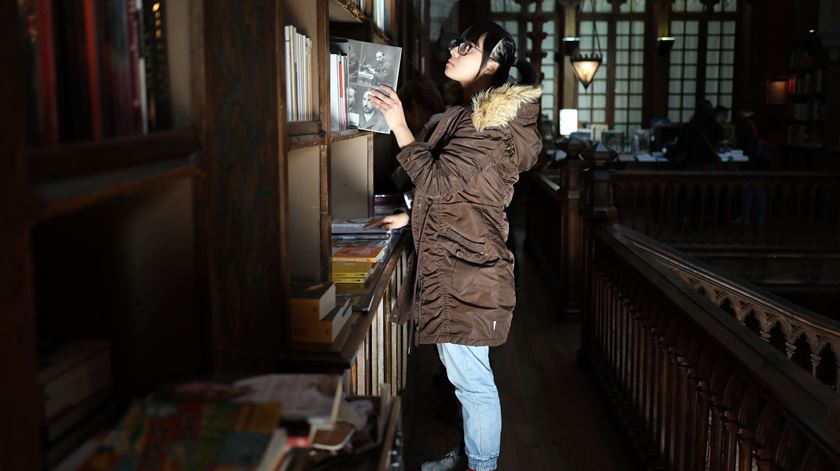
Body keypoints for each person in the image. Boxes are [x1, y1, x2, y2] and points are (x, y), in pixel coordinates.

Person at [366, 21, 542, 471]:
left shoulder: (489, 121)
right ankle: (469, 454)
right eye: (457, 42)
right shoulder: (475, 113)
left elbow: (441, 181)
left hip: (469, 270)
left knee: (473, 383)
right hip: (466, 263)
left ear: (493, 64)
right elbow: (469, 195)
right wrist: (412, 215)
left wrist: (399, 125)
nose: (454, 49)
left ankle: (482, 466)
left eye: (468, 46)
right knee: (462, 373)